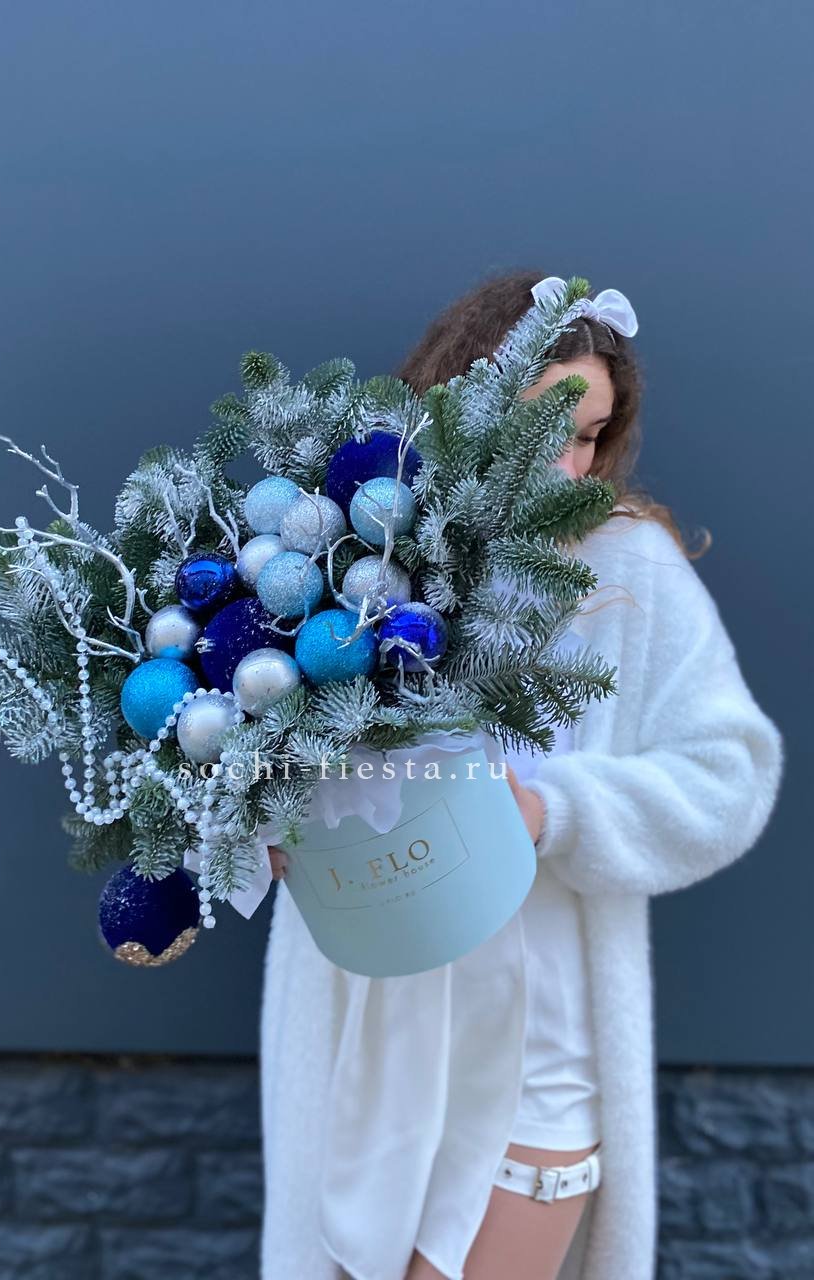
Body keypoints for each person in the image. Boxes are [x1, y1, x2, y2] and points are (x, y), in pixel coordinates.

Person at [258, 270, 784, 1280]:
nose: (574, 462)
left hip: (542, 1052)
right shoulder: (353, 553)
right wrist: (272, 818)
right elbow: (264, 730)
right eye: (551, 427)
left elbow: (731, 773)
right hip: (372, 1045)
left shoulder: (628, 568)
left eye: (591, 435)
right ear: (470, 399)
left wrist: (552, 810)